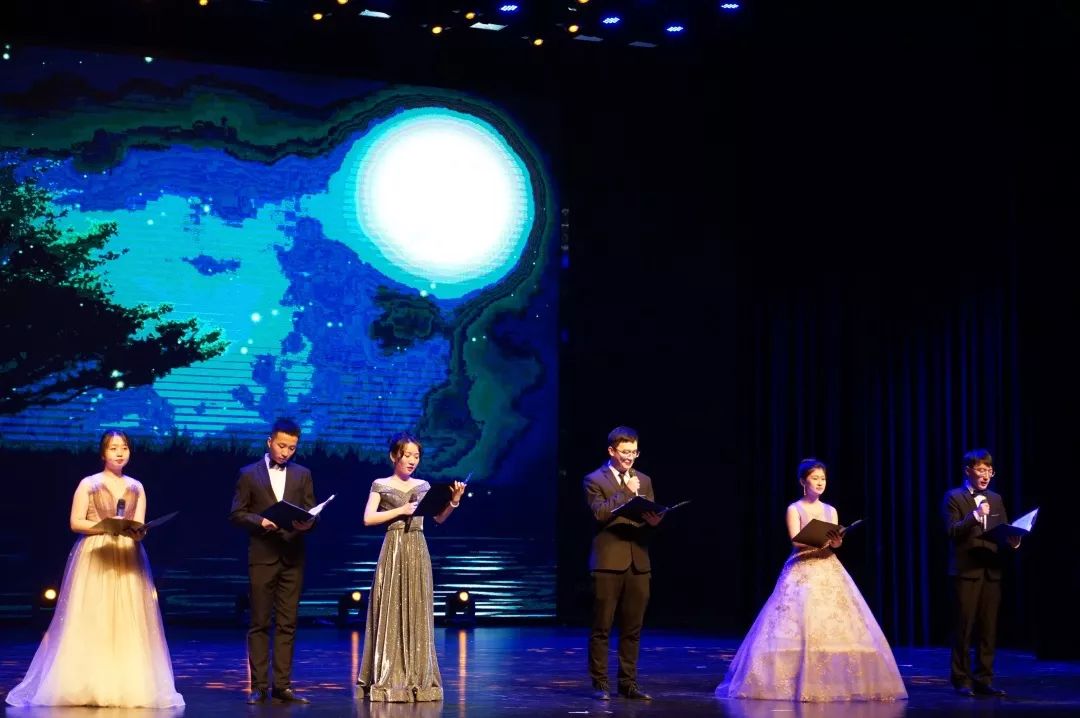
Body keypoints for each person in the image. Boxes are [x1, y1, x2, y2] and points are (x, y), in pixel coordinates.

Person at [5, 430, 184, 708]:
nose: (120, 453)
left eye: (124, 448)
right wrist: (104, 527)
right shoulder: (89, 484)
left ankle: (126, 683)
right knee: (93, 615)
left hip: (127, 554)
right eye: (113, 448)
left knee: (127, 618)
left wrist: (138, 532)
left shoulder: (136, 486)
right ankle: (85, 682)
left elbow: (138, 525)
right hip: (96, 553)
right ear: (103, 453)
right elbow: (75, 522)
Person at [716, 458, 907, 702]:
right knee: (800, 619)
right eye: (815, 478)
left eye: (823, 478)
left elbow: (836, 543)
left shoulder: (831, 510)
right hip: (802, 566)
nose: (820, 482)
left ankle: (834, 681)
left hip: (827, 565)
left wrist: (836, 540)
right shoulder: (795, 508)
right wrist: (816, 539)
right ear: (802, 482)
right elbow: (795, 539)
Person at [356, 431, 466, 702]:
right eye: (407, 455)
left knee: (417, 608)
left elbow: (438, 519)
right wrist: (400, 511)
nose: (412, 460)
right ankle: (390, 675)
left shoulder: (424, 485)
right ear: (394, 456)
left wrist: (453, 502)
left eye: (416, 456)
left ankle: (418, 676)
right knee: (390, 608)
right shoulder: (380, 484)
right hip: (394, 548)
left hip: (417, 548)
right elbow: (368, 518)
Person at [229, 418, 317, 704]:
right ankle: (259, 686)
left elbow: (310, 512)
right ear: (269, 442)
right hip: (262, 556)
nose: (285, 452)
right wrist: (260, 521)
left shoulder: (302, 474)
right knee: (259, 622)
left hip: (292, 556)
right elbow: (237, 514)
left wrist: (308, 523)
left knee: (288, 623)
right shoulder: (248, 474)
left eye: (291, 448)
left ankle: (283, 686)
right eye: (281, 446)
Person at [584, 426, 662, 701]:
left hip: (638, 562)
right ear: (611, 451)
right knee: (602, 627)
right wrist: (626, 492)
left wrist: (654, 522)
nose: (630, 457)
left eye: (634, 452)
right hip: (607, 563)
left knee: (633, 628)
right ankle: (600, 684)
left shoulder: (644, 479)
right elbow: (600, 514)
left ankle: (628, 684)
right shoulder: (594, 479)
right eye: (625, 452)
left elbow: (645, 516)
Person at [943, 448, 1021, 697]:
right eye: (981, 470)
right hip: (966, 571)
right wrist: (974, 516)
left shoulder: (996, 498)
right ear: (968, 471)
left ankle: (984, 679)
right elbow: (951, 531)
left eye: (989, 470)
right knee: (964, 628)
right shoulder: (954, 497)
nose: (986, 475)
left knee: (988, 629)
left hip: (991, 571)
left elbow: (1003, 530)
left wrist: (1013, 541)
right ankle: (961, 680)